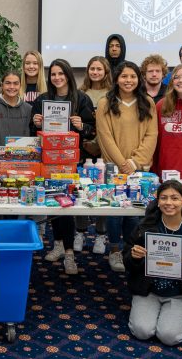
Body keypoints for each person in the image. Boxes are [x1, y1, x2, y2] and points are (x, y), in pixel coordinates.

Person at [123, 180, 182, 346]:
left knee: (169, 337)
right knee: (142, 331)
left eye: (175, 198)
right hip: (148, 288)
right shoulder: (145, 225)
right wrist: (134, 256)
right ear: (157, 202)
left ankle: (174, 316)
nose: (169, 203)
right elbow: (127, 261)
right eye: (163, 198)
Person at [30, 59, 95, 274]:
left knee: (66, 205)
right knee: (52, 203)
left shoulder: (82, 99)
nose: (57, 78)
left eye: (61, 74)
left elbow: (92, 131)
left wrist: (81, 126)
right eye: (53, 74)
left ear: (68, 75)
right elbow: (33, 132)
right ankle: (57, 243)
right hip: (48, 162)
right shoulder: (42, 99)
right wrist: (36, 123)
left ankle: (69, 253)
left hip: (70, 162)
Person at [96, 61, 158, 272]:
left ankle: (130, 251)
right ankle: (114, 250)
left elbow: (152, 135)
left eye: (132, 76)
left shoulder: (148, 102)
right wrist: (122, 164)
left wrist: (134, 162)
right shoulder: (105, 102)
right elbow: (105, 136)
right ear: (116, 79)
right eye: (124, 76)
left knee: (134, 211)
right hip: (114, 168)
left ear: (138, 79)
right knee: (115, 211)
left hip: (139, 169)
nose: (128, 80)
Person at [76, 55, 113, 253]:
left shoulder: (112, 94)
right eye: (92, 69)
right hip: (84, 149)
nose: (95, 72)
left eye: (99, 69)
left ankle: (100, 234)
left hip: (105, 150)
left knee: (103, 191)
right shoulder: (81, 93)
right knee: (82, 189)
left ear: (106, 71)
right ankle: (80, 231)